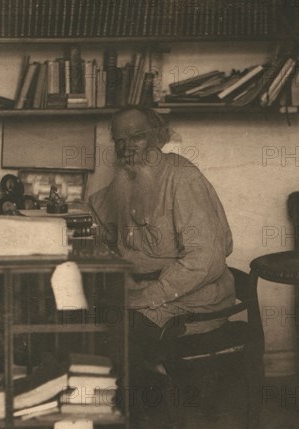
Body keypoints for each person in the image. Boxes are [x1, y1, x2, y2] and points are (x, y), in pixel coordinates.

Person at [89, 107, 236, 371]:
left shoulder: (182, 177)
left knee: (116, 335)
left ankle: (137, 406)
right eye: (119, 140)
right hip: (142, 291)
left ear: (157, 137)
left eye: (136, 137)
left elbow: (207, 258)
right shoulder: (127, 177)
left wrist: (148, 295)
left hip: (190, 299)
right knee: (82, 317)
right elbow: (99, 218)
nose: (126, 147)